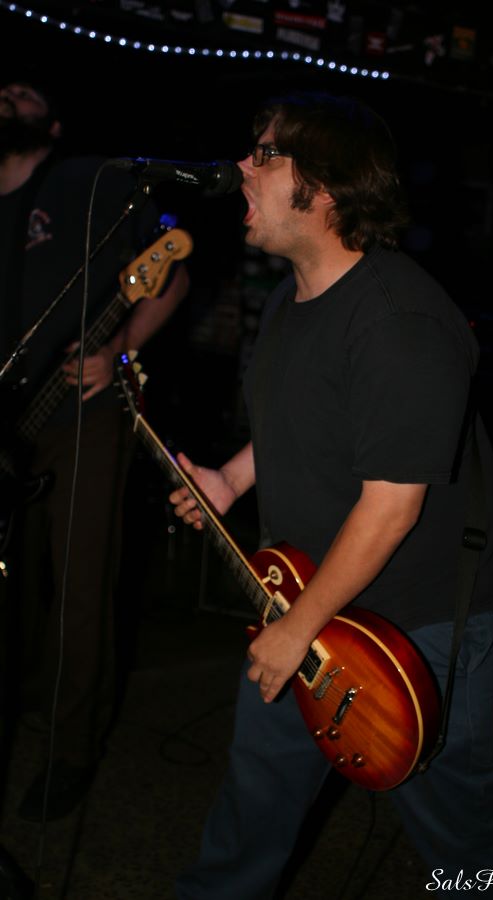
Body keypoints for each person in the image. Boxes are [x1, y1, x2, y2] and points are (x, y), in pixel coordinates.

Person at [169, 91, 493, 898]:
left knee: (465, 837)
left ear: (328, 184)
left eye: (266, 153)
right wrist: (232, 478)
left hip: (416, 625)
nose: (242, 166)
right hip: (306, 601)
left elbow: (392, 505)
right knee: (254, 806)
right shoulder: (293, 298)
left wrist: (298, 628)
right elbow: (311, 420)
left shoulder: (401, 319)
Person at [0, 75, 189, 825]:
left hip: (81, 416)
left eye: (23, 91)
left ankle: (73, 750)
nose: (7, 94)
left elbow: (170, 274)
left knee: (80, 587)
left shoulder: (86, 182)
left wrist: (119, 349)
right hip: (4, 430)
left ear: (53, 125)